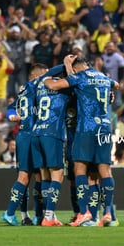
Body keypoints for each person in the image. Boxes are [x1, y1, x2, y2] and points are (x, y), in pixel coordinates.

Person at [44, 55, 119, 227]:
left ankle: (83, 213)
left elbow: (54, 85)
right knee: (104, 170)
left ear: (77, 68)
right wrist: (110, 91)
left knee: (80, 169)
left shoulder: (80, 77)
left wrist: (46, 77)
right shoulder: (103, 77)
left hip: (87, 128)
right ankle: (108, 214)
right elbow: (116, 84)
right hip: (106, 128)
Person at [2, 63, 64, 226]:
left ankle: (37, 215)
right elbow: (52, 71)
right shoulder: (37, 83)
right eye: (45, 74)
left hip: (26, 134)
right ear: (38, 75)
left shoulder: (25, 89)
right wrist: (67, 62)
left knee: (38, 175)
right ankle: (12, 213)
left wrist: (11, 116)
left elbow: (10, 108)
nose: (48, 77)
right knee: (27, 176)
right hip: (32, 134)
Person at [31, 64, 72, 226]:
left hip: (37, 132)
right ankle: (48, 216)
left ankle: (48, 215)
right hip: (52, 133)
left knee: (45, 175)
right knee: (58, 175)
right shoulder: (62, 87)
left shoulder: (39, 85)